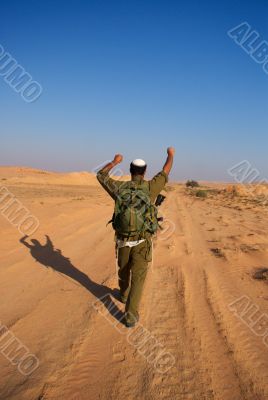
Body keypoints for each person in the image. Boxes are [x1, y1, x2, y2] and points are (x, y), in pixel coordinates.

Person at [97, 147, 175, 327]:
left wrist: (115, 161)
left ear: (131, 171)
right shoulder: (150, 187)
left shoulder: (119, 188)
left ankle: (123, 295)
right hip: (142, 243)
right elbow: (166, 170)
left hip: (123, 241)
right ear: (145, 171)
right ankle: (130, 317)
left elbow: (101, 175)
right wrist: (170, 155)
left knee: (123, 271)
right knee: (138, 279)